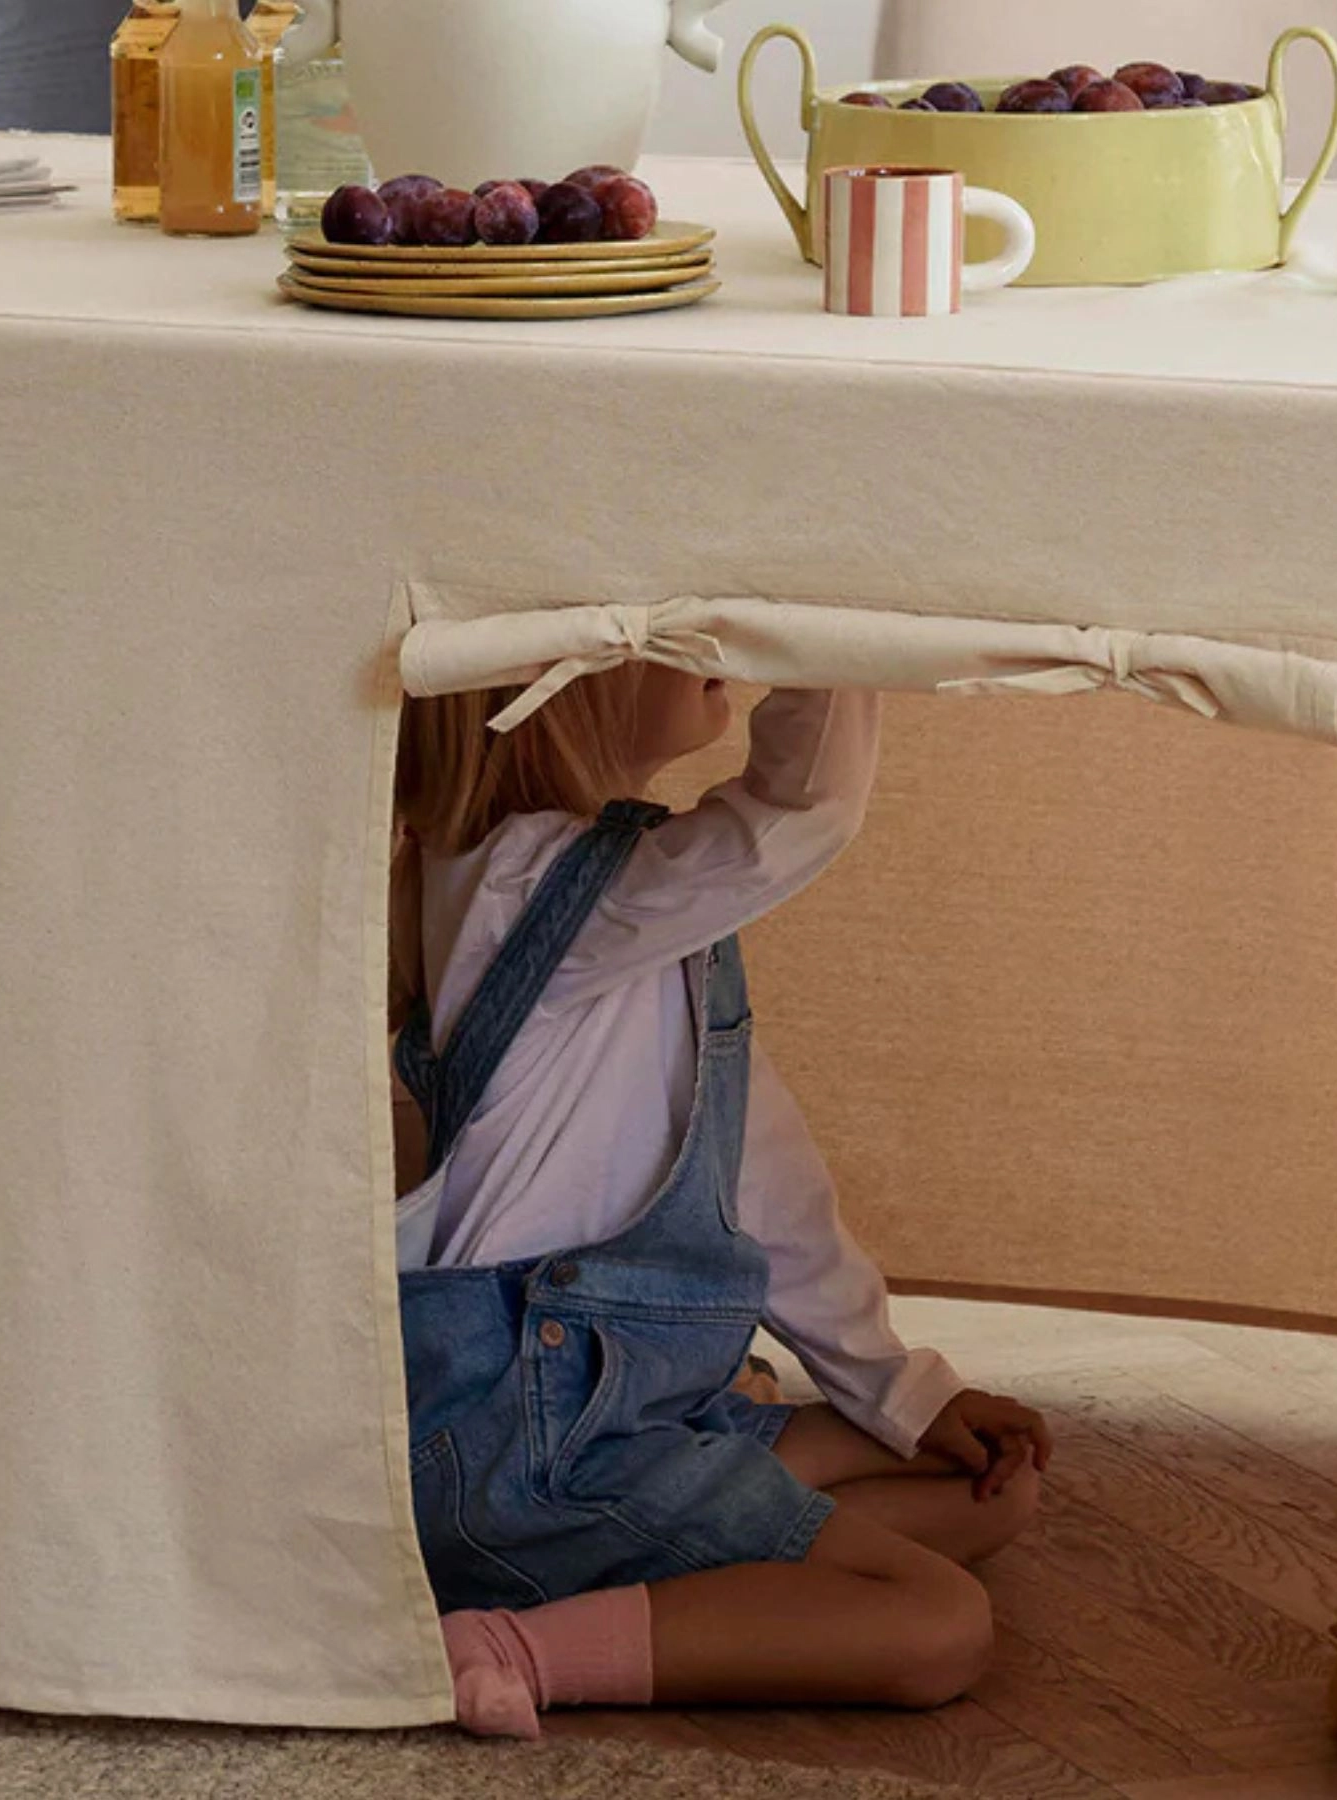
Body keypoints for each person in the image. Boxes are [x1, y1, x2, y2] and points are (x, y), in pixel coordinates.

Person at [391, 666, 1052, 1739]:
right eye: (671, 626)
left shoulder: (631, 908)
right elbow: (802, 809)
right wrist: (825, 626)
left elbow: (761, 1181)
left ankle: (670, 1580)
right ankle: (510, 1646)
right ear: (555, 691)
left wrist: (902, 1389)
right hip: (524, 1453)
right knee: (939, 1625)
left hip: (617, 1414)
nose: (721, 647)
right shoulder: (522, 882)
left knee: (983, 1485)